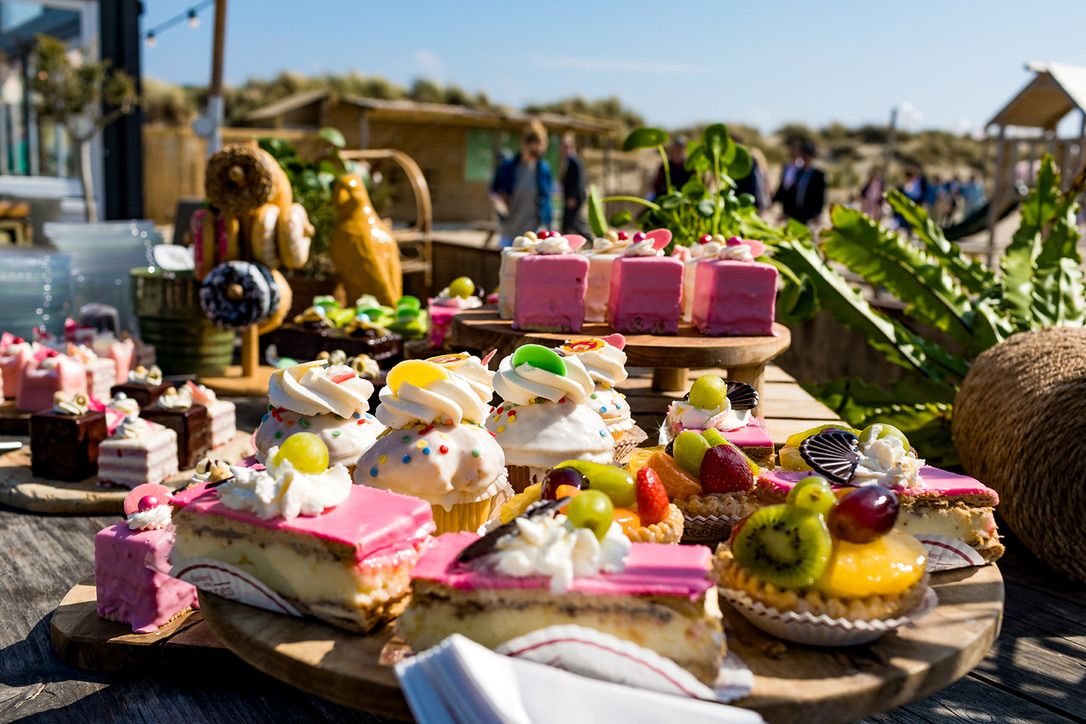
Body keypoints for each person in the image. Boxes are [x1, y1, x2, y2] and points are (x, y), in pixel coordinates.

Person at [490, 120, 553, 246]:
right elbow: (493, 191)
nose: (535, 156)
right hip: (510, 231)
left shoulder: (544, 170)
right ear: (524, 144)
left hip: (534, 234)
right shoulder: (507, 168)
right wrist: (499, 202)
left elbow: (546, 200)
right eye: (533, 151)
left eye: (538, 152)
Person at [773, 139, 826, 226]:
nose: (805, 158)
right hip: (796, 213)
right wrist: (786, 211)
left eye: (807, 155)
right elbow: (789, 192)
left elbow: (820, 196)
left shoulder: (818, 175)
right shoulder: (798, 172)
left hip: (810, 215)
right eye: (803, 155)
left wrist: (818, 213)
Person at [558, 132, 591, 237]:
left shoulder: (574, 161)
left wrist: (572, 196)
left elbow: (578, 180)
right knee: (569, 222)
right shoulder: (569, 160)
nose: (563, 149)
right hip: (572, 197)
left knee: (574, 222)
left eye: (566, 146)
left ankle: (590, 239)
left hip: (574, 198)